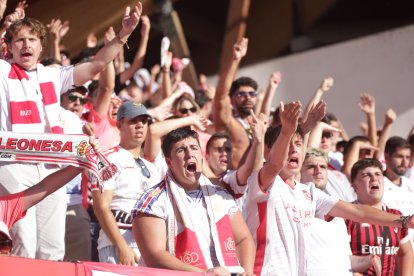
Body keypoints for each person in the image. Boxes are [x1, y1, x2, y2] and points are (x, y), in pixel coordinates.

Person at [0, 3, 142, 260]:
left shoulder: (52, 75)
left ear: (42, 46)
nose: (26, 45)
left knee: (52, 250)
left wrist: (124, 35)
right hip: (13, 165)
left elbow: (98, 64)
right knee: (24, 244)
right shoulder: (2, 71)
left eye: (32, 39)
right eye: (19, 40)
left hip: (51, 168)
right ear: (9, 46)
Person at [244, 101, 414, 275]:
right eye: (288, 144)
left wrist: (404, 221)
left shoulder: (307, 192)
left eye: (299, 145)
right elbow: (274, 165)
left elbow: (358, 212)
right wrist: (287, 131)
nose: (293, 150)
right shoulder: (265, 182)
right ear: (268, 151)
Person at [132, 128, 255, 275]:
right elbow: (153, 256)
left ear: (201, 156)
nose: (190, 154)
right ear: (169, 161)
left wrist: (247, 271)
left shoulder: (221, 195)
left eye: (194, 148)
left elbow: (243, 238)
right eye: (181, 150)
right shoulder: (152, 202)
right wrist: (203, 273)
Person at [0, 136, 99, 256]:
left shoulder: (4, 208)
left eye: (3, 244)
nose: (3, 252)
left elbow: (45, 187)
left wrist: (84, 161)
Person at [92, 101, 161, 265]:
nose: (140, 126)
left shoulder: (153, 168)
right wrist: (122, 246)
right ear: (119, 124)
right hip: (117, 242)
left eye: (144, 121)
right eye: (133, 121)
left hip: (148, 246)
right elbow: (101, 206)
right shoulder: (107, 158)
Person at [300, 149, 381, 275]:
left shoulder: (338, 218)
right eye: (311, 167)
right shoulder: (294, 207)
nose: (318, 171)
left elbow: (344, 260)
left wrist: (367, 260)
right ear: (298, 172)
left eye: (323, 166)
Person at [346, 158, 413, 275]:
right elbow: (339, 258)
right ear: (354, 185)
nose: (374, 178)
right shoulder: (345, 215)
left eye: (378, 174)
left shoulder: (396, 215)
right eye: (366, 175)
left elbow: (405, 252)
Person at [213, 38, 258, 169]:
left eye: (252, 94)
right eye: (241, 94)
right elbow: (220, 96)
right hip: (237, 185)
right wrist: (235, 59)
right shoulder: (228, 122)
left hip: (263, 184)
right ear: (232, 99)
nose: (248, 98)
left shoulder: (262, 122)